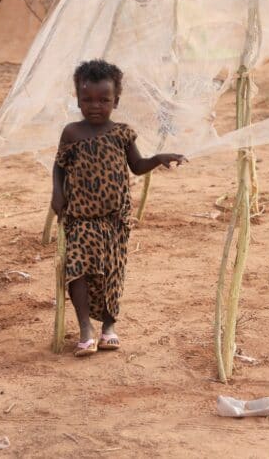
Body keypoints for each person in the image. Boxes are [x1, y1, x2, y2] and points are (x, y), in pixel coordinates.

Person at [52, 60, 185, 357]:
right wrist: (56, 194)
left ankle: (108, 328)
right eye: (87, 100)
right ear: (77, 99)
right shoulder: (71, 133)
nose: (95, 106)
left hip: (114, 221)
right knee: (78, 272)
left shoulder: (122, 134)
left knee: (112, 275)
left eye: (103, 100)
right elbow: (59, 167)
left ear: (116, 101)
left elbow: (137, 167)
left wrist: (158, 157)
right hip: (81, 220)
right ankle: (85, 328)